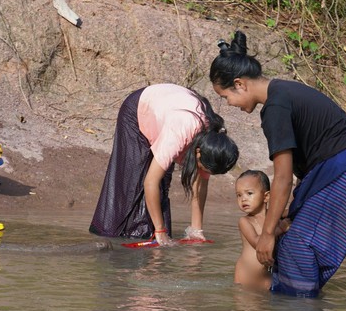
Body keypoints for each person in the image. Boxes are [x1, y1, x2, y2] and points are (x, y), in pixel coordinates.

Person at [210, 31, 346, 297]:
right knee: (292, 235)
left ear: (240, 84)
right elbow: (310, 158)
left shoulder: (275, 107)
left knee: (295, 245)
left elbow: (282, 177)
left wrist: (266, 234)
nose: (229, 104)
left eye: (225, 97)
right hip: (341, 169)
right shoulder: (283, 92)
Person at [89, 83, 239, 246]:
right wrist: (160, 231)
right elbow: (150, 182)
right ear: (198, 152)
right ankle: (111, 238)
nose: (202, 172)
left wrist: (196, 230)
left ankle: (152, 236)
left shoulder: (212, 141)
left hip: (168, 112)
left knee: (162, 186)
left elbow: (200, 185)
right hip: (138, 110)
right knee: (132, 181)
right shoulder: (179, 134)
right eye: (203, 168)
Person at [234, 170, 290, 290]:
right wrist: (280, 228)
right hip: (246, 277)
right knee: (249, 308)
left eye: (249, 193)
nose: (243, 199)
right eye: (239, 195)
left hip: (266, 277)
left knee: (266, 307)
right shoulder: (245, 222)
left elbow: (289, 211)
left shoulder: (275, 216)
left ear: (266, 196)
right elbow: (257, 243)